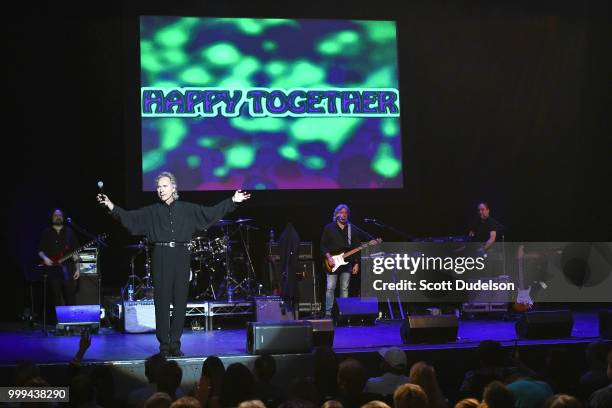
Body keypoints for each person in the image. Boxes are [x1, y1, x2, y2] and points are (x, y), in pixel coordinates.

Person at [97, 171, 251, 356]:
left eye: (164, 186)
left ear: (173, 187)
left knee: (180, 301)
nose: (161, 190)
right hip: (161, 255)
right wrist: (110, 205)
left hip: (181, 254)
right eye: (158, 187)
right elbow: (130, 218)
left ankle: (175, 344)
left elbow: (210, 214)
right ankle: (164, 345)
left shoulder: (187, 209)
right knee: (161, 301)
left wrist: (232, 201)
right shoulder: (152, 211)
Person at [320, 204, 367, 317]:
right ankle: (328, 313)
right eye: (341, 212)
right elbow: (323, 245)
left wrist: (356, 263)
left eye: (345, 213)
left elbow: (356, 247)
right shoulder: (329, 227)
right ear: (336, 214)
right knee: (330, 288)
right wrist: (329, 257)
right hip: (332, 263)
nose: (343, 215)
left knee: (344, 288)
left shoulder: (352, 229)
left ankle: (343, 313)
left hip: (347, 263)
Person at [37, 208, 80, 317]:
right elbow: (40, 250)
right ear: (52, 218)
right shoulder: (46, 232)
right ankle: (59, 322)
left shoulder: (70, 232)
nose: (58, 216)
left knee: (70, 295)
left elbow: (75, 252)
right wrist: (45, 259)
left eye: (60, 215)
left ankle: (72, 321)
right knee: (56, 296)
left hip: (68, 268)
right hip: (53, 269)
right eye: (56, 215)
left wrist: (78, 268)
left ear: (63, 217)